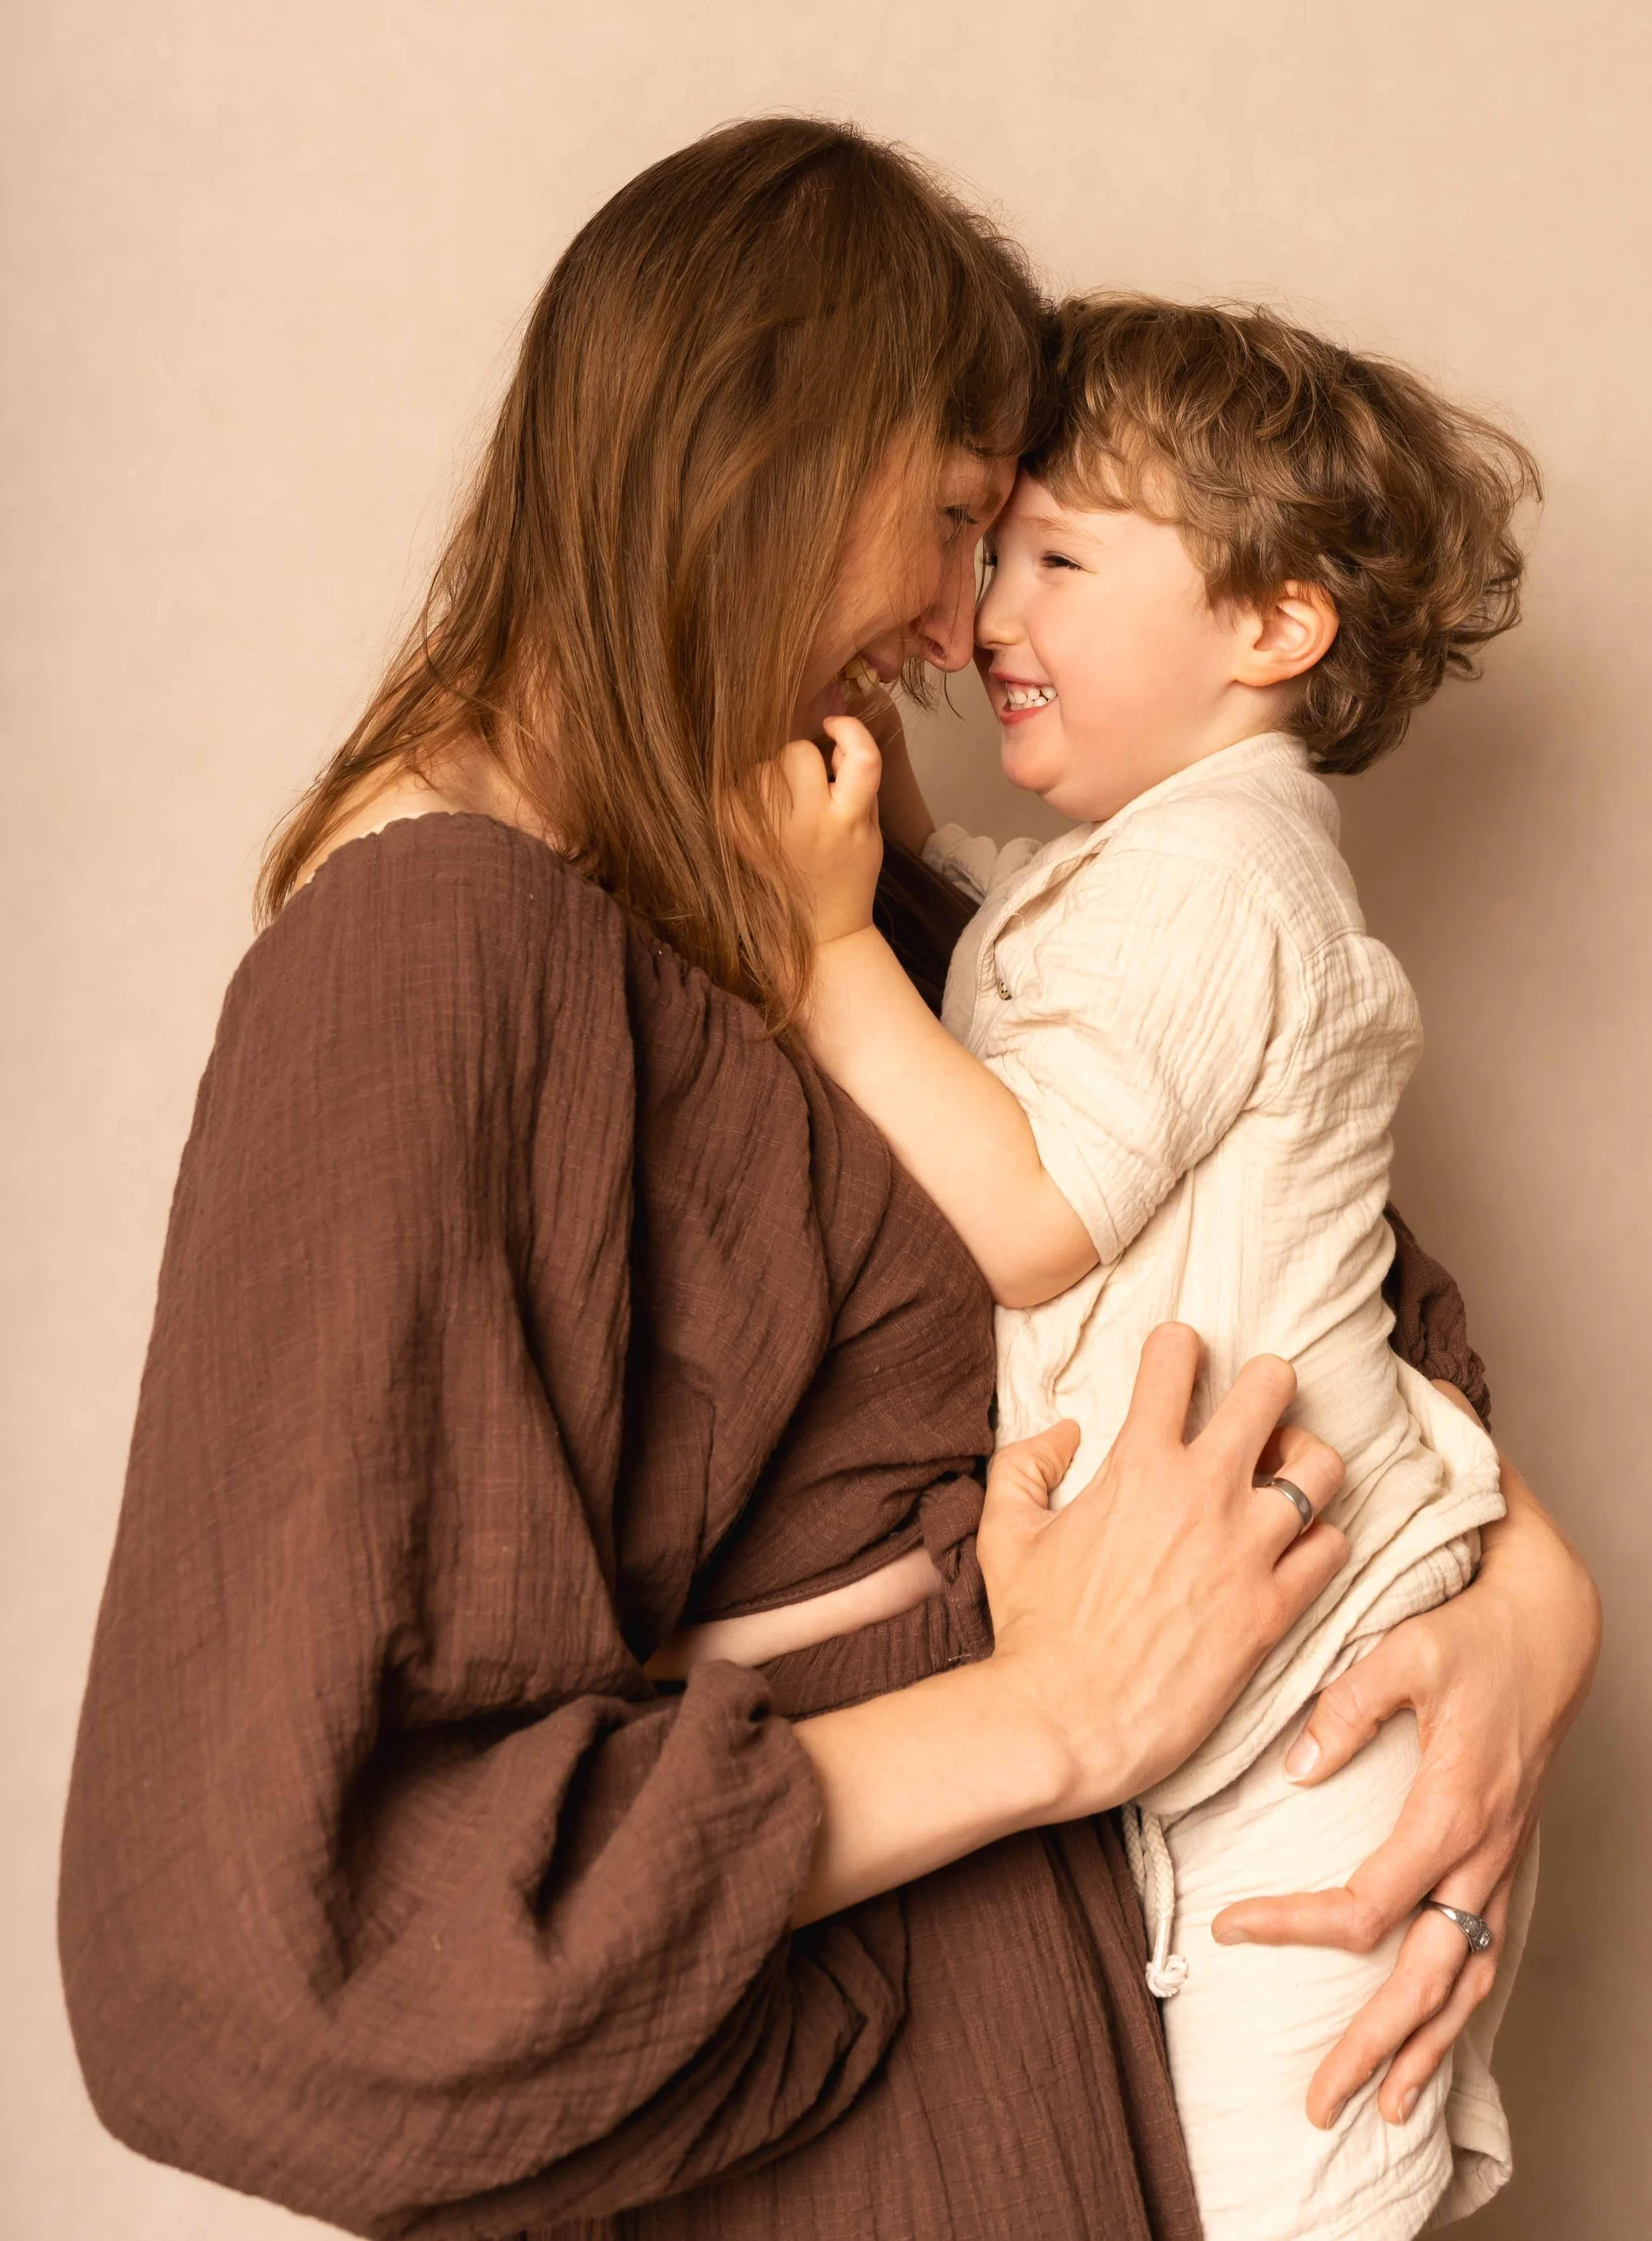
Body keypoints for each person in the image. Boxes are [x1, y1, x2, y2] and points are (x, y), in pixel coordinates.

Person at [57, 123, 1598, 2241]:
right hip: (843, 2141)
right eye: (967, 518)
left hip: (1118, 2034)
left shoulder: (851, 897)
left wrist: (1525, 1636)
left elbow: (1327, 1297)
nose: (966, 622)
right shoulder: (438, 951)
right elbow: (251, 1944)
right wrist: (1043, 1716)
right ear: (779, 445)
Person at [761, 294, 1549, 2238]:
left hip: (1311, 1706)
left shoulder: (1211, 880)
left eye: (1056, 558)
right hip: (1222, 1665)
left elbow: (1031, 1206)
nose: (986, 612)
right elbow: (1023, 961)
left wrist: (826, 943)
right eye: (985, 545)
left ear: (1273, 629)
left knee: (1297, 2176)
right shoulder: (1160, 856)